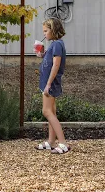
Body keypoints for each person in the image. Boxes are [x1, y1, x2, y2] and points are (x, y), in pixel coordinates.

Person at [35, 18, 70, 154]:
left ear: (53, 30)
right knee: (52, 112)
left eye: (46, 31)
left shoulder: (57, 45)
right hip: (48, 83)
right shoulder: (55, 44)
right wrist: (42, 54)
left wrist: (48, 84)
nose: (44, 34)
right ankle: (51, 142)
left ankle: (63, 143)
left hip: (50, 84)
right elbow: (51, 61)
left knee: (47, 111)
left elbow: (56, 65)